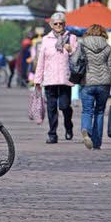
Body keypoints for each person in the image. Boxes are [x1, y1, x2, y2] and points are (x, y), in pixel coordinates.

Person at [78, 24, 111, 150]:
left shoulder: (82, 45)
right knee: (99, 112)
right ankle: (97, 142)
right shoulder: (107, 47)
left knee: (87, 110)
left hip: (87, 81)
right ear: (103, 34)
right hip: (104, 84)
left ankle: (86, 130)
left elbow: (76, 62)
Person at [35, 12, 77, 144]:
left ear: (65, 24)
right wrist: (37, 80)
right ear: (51, 25)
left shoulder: (71, 37)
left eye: (61, 23)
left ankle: (68, 126)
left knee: (64, 106)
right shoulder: (46, 40)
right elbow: (41, 61)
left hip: (65, 79)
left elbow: (78, 57)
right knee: (51, 108)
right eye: (56, 23)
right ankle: (52, 134)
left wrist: (71, 50)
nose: (58, 25)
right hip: (50, 79)